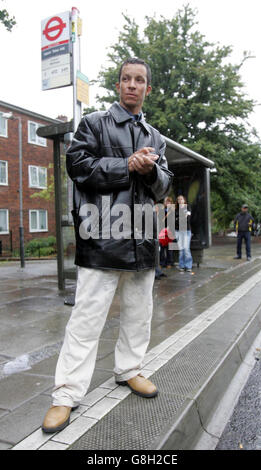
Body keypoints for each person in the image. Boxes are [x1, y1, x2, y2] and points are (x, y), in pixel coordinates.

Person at [41, 58, 173, 433]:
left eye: (140, 80)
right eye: (126, 79)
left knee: (139, 313)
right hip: (101, 237)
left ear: (147, 88)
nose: (132, 85)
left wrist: (152, 172)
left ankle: (129, 370)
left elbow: (164, 185)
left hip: (143, 239)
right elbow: (78, 164)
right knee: (86, 319)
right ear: (118, 85)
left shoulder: (156, 137)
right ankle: (65, 394)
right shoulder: (94, 123)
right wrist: (126, 166)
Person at [175, 195, 193, 272]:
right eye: (178, 199)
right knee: (181, 250)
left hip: (186, 231)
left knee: (186, 249)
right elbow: (174, 221)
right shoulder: (176, 209)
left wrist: (178, 219)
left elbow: (188, 220)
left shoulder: (188, 207)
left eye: (181, 199)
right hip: (178, 231)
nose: (180, 200)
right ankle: (181, 266)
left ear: (184, 200)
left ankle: (188, 266)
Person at [159, 196, 175, 268]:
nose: (167, 203)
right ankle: (162, 263)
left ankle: (170, 262)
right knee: (162, 248)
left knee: (170, 248)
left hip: (170, 231)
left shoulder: (173, 210)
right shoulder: (162, 210)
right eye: (166, 201)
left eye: (169, 201)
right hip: (162, 231)